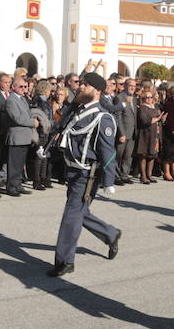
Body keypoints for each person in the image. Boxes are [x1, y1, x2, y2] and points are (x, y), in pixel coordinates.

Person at [46, 72, 121, 277]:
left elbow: (107, 151)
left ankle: (65, 261)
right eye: (80, 84)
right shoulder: (77, 111)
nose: (80, 87)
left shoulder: (102, 117)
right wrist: (47, 150)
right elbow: (64, 136)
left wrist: (109, 180)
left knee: (71, 216)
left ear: (97, 91)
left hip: (87, 175)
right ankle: (110, 233)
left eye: (85, 85)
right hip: (71, 171)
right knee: (79, 213)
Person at [134, 88, 163, 183]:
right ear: (143, 98)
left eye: (151, 97)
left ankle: (149, 175)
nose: (149, 99)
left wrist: (161, 118)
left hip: (155, 134)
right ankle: (143, 176)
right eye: (147, 97)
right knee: (144, 155)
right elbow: (143, 120)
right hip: (145, 134)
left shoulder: (155, 107)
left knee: (152, 155)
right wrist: (156, 119)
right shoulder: (142, 108)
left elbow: (159, 118)